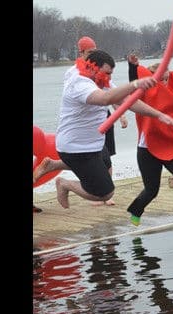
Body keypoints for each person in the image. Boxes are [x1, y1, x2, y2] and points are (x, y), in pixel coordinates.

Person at [32, 49, 173, 209]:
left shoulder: (101, 80)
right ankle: (65, 184)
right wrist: (135, 84)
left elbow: (129, 101)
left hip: (92, 144)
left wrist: (158, 115)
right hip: (75, 148)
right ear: (91, 68)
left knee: (106, 162)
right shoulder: (79, 83)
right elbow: (104, 99)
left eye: (111, 74)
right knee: (105, 193)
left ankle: (52, 165)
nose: (108, 78)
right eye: (106, 73)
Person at [125, 54, 173, 227]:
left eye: (167, 79)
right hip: (147, 148)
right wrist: (132, 66)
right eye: (162, 79)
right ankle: (136, 209)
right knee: (152, 190)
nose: (165, 83)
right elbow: (133, 87)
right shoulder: (146, 91)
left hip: (169, 145)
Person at [65, 36, 129, 206]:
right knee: (96, 158)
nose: (93, 55)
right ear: (82, 52)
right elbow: (101, 97)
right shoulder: (74, 73)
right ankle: (100, 190)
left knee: (107, 157)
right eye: (90, 52)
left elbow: (113, 94)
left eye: (95, 51)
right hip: (86, 127)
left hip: (104, 120)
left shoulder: (101, 71)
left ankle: (105, 191)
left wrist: (121, 114)